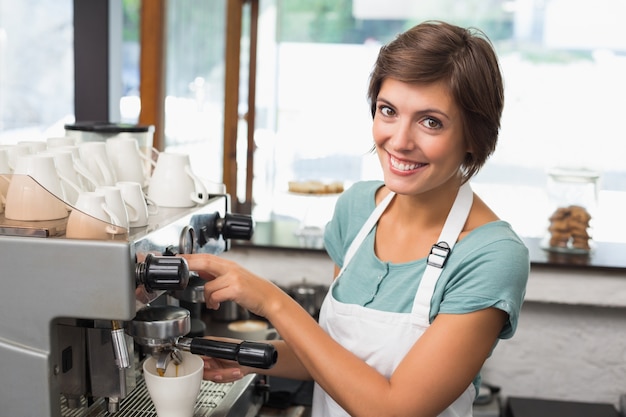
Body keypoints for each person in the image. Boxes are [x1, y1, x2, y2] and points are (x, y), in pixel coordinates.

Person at [182, 20, 529, 417]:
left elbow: (394, 408)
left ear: (474, 136)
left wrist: (273, 302)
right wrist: (250, 356)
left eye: (431, 121)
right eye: (388, 111)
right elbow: (338, 359)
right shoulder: (358, 208)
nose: (399, 141)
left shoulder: (492, 255)